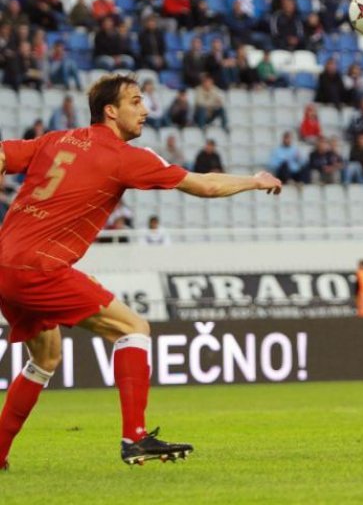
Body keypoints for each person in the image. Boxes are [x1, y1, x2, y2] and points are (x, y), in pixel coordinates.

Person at [0, 74, 282, 470]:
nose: (145, 110)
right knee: (133, 329)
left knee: (45, 357)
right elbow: (204, 185)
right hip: (39, 268)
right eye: (135, 102)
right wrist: (253, 181)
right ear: (111, 111)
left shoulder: (56, 140)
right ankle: (134, 437)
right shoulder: (125, 157)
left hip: (5, 266)